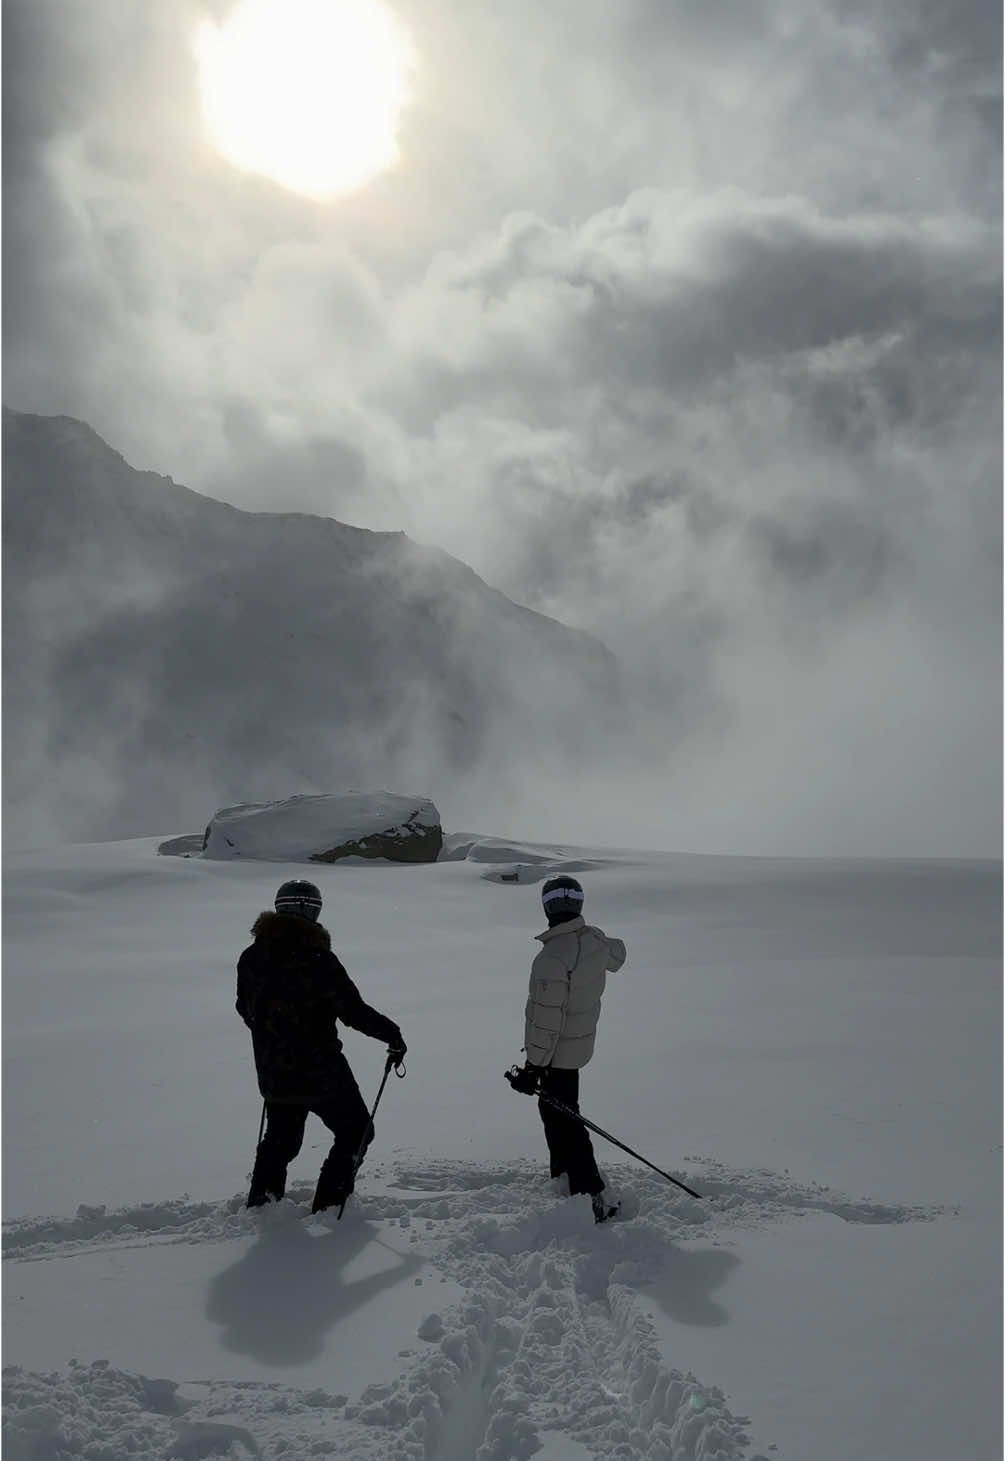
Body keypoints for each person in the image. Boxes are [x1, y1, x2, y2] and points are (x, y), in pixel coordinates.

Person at [236, 878, 406, 1214]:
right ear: (311, 910)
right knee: (356, 1131)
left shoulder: (252, 956)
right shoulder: (318, 959)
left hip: (274, 1072)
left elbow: (245, 1008)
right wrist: (392, 1034)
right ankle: (329, 1206)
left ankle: (262, 1206)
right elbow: (352, 1011)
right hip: (321, 1072)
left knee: (281, 1142)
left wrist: (272, 1034)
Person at [510, 874, 627, 1223]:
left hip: (556, 1054)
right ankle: (564, 1178)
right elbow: (618, 955)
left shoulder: (552, 958)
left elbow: (547, 1020)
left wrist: (533, 1066)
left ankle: (590, 1193)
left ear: (547, 908)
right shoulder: (593, 941)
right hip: (575, 1050)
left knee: (565, 1122)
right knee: (557, 1114)